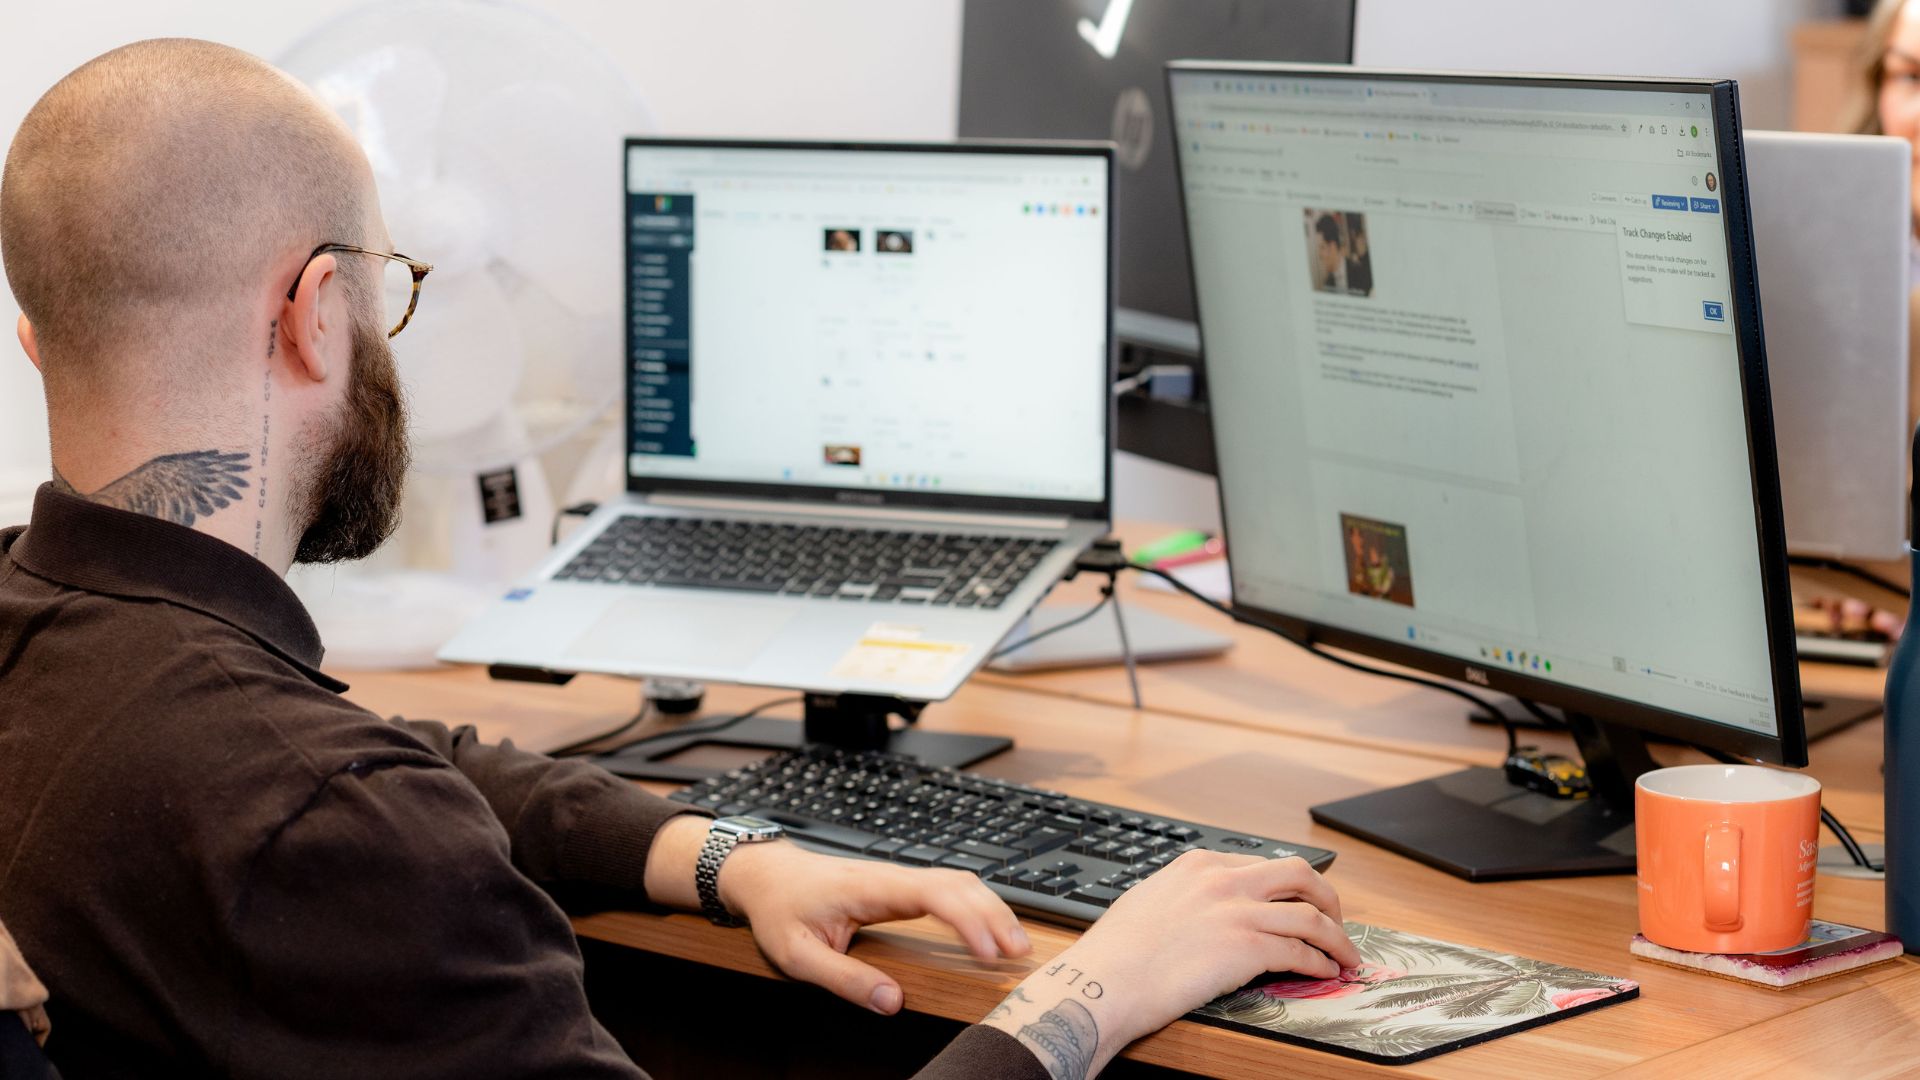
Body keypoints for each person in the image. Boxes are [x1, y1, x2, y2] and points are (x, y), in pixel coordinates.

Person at [0, 40, 1359, 1079]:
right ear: (314, 316)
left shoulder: (71, 638)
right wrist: (1093, 995)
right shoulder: (331, 829)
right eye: (387, 293)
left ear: (38, 336)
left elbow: (393, 759)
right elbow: (352, 803)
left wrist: (722, 856)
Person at [1310, 211, 1347, 293]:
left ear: (1333, 247)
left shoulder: (1359, 270)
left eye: (1322, 247)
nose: (1319, 255)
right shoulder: (1327, 286)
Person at [1345, 216, 1374, 296]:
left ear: (1362, 238)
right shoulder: (1358, 258)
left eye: (1357, 239)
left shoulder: (1368, 258)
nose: (1356, 245)